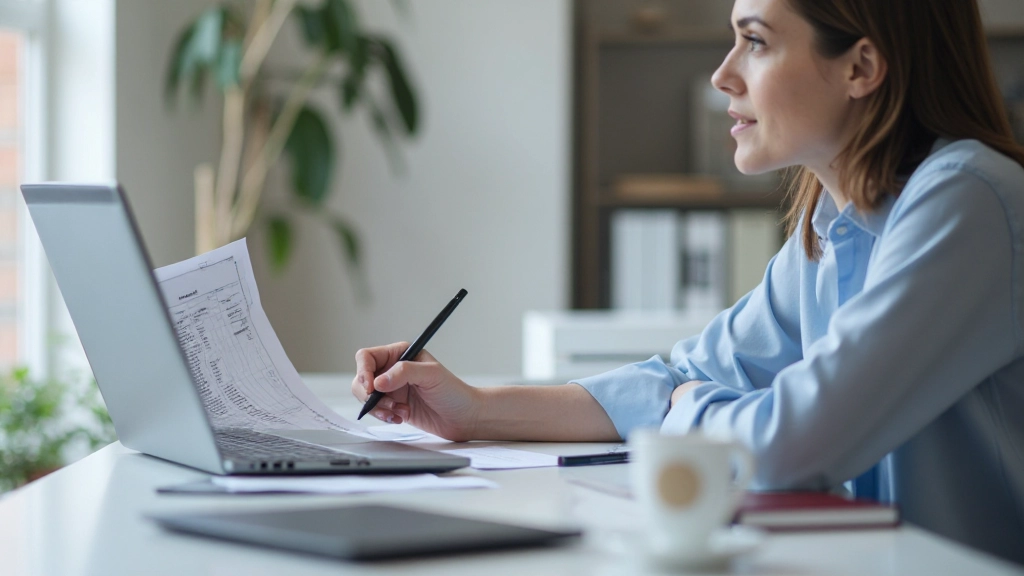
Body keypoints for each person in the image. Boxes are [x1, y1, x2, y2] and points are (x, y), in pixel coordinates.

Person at [351, 0, 1024, 564]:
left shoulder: (966, 201)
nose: (723, 76)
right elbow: (681, 374)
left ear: (861, 67)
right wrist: (474, 411)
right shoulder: (835, 222)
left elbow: (795, 444)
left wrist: (690, 408)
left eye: (755, 42)